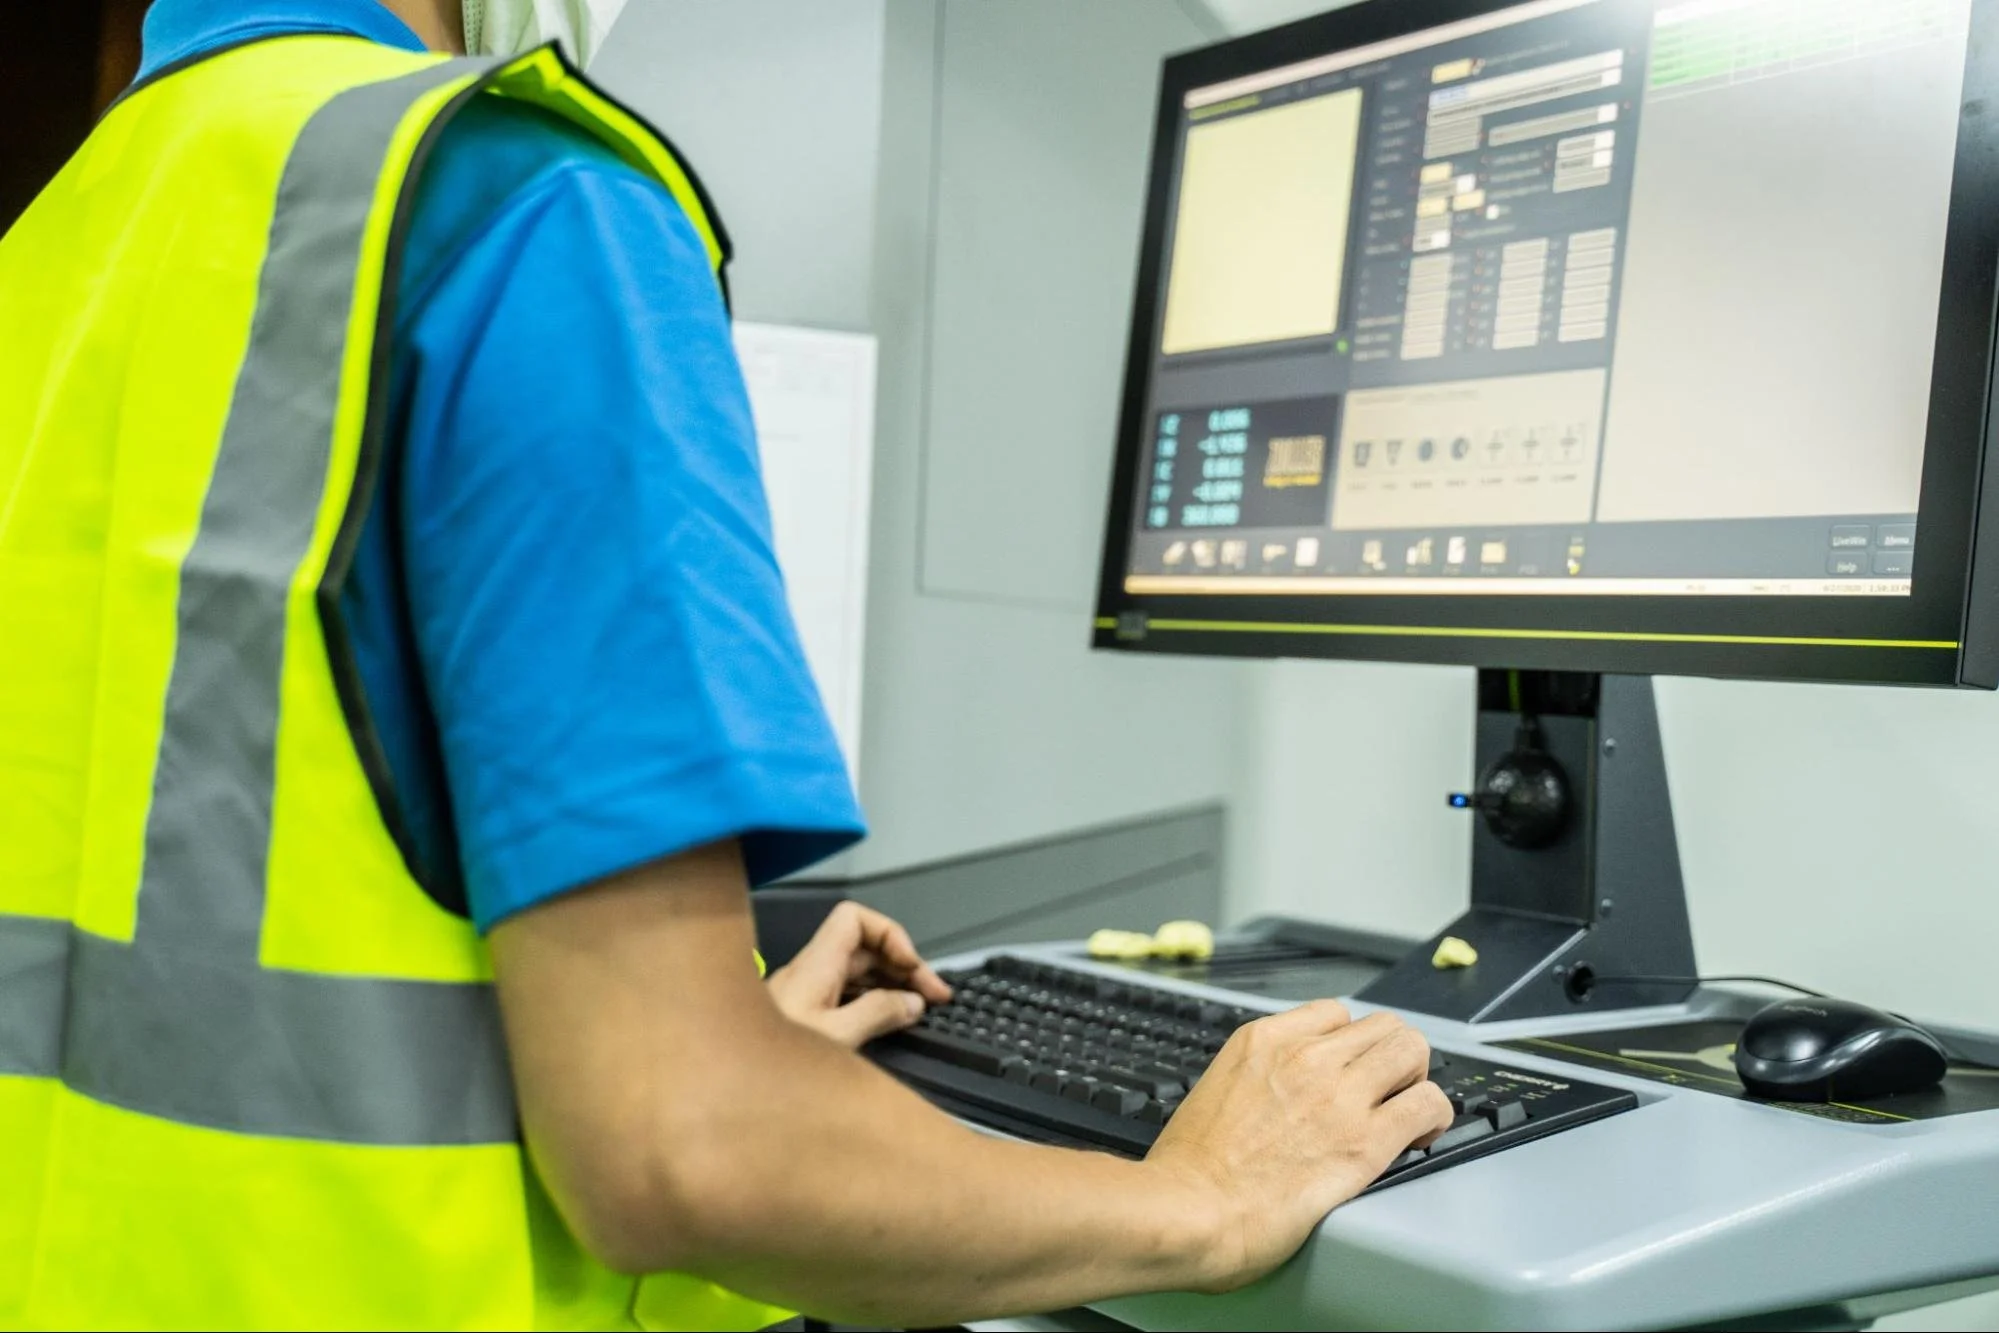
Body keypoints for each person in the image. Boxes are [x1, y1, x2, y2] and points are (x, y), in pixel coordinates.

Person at [0, 0, 1453, 1327]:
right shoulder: (516, 200)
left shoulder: (61, 233)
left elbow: (184, 960)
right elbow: (684, 1158)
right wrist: (1197, 1197)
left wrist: (690, 1033)